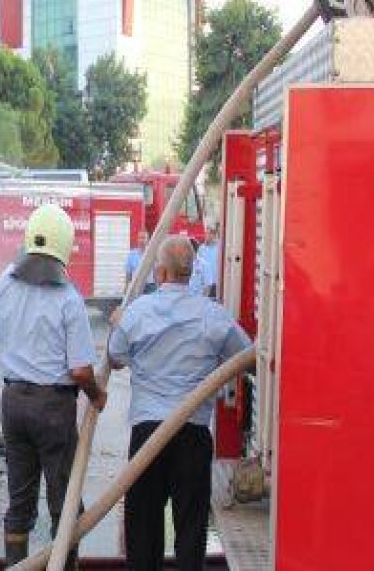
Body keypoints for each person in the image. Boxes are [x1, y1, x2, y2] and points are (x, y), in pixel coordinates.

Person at [0, 204, 107, 567]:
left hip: (14, 404)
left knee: (20, 499)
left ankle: (16, 564)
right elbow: (82, 371)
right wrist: (97, 396)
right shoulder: (69, 299)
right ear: (64, 248)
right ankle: (64, 565)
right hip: (53, 408)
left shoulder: (4, 285)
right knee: (63, 500)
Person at [108, 235, 252, 571]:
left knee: (142, 530)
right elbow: (249, 356)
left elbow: (114, 357)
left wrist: (119, 323)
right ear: (192, 272)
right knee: (190, 530)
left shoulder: (137, 312)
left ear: (159, 273)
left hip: (147, 436)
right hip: (193, 436)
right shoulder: (212, 315)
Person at [124, 230, 151, 297]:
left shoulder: (152, 254)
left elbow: (156, 271)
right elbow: (128, 273)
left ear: (148, 240)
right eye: (140, 238)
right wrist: (127, 286)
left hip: (150, 286)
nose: (141, 240)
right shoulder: (132, 254)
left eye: (144, 238)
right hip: (136, 284)